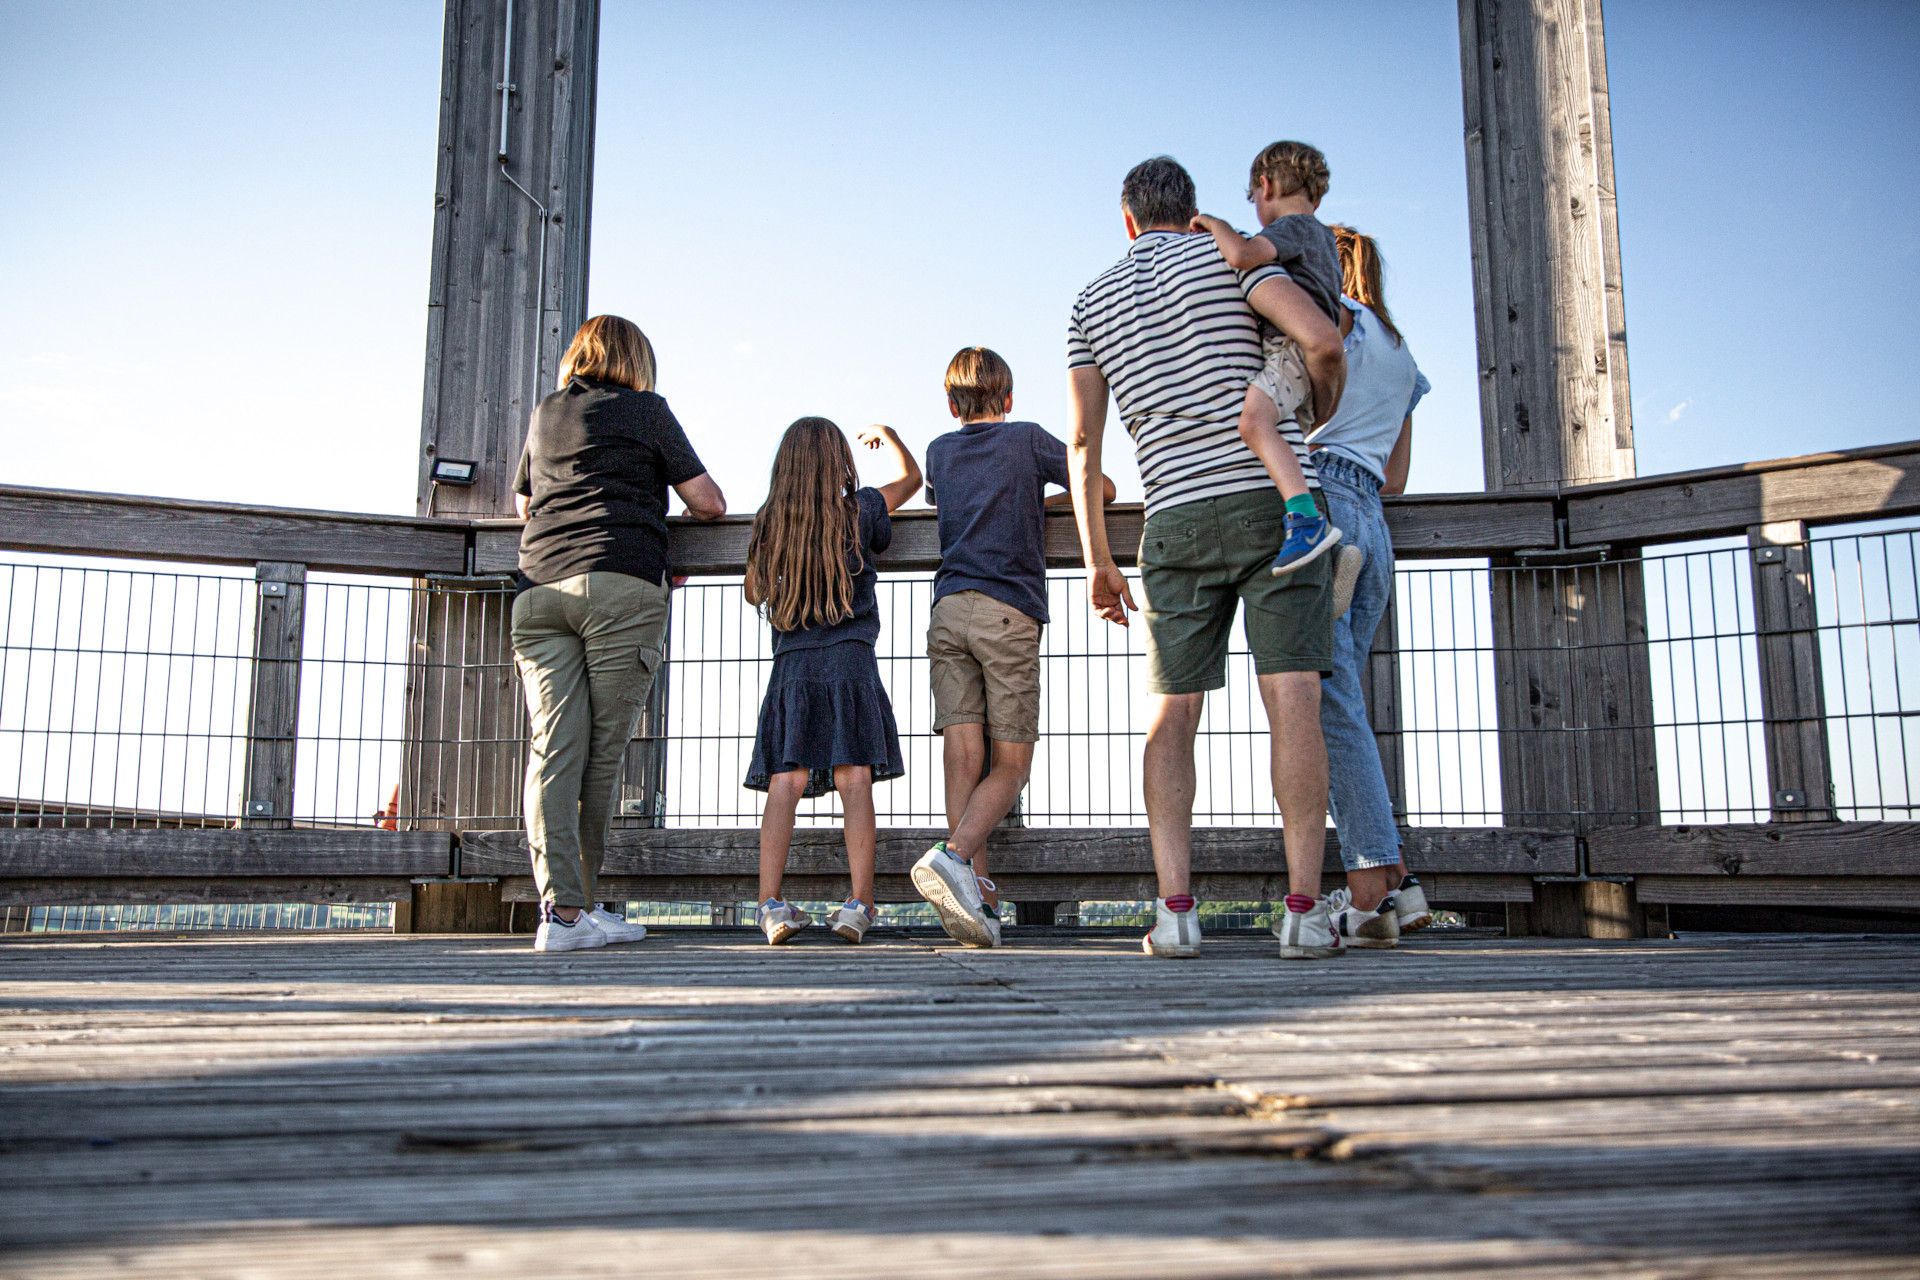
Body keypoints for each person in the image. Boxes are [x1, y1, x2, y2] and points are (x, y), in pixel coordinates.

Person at [1065, 155, 1348, 960]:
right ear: (1192, 209)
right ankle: (1300, 911)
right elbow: (1318, 340)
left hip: (1175, 516)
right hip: (1272, 504)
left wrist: (1097, 558)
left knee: (1172, 712)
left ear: (1126, 219)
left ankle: (1176, 913)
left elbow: (1084, 442)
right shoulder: (1234, 258)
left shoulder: (1090, 300)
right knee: (1292, 697)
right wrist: (1315, 412)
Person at [511, 315, 726, 954]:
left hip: (539, 591)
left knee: (553, 749)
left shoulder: (547, 412)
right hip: (620, 585)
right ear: (636, 361)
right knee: (601, 755)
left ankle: (563, 913)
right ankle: (579, 909)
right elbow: (709, 502)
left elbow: (525, 505)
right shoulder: (647, 410)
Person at [911, 348, 1116, 947]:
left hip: (948, 610)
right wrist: (1038, 502)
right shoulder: (1026, 440)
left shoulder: (939, 451)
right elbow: (1098, 486)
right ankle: (953, 857)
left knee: (961, 753)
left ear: (951, 405)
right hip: (1007, 613)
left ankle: (975, 889)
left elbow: (951, 505)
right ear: (1009, 398)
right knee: (1013, 764)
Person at [744, 417, 921, 946]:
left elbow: (756, 592)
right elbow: (910, 481)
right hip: (850, 662)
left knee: (786, 780)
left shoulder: (770, 520)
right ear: (840, 462)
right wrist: (890, 437)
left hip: (793, 665)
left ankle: (771, 905)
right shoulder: (861, 511)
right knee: (854, 779)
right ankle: (859, 904)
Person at [1312, 225, 1437, 947]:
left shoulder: (1331, 323)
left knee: (1328, 701)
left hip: (1321, 508)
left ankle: (1368, 889)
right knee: (1345, 699)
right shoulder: (1400, 350)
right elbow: (1397, 478)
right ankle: (1400, 882)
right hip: (1372, 525)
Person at [1190, 141, 1347, 579]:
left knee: (1252, 423)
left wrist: (1213, 224)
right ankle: (1327, 563)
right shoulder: (1323, 238)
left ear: (1266, 184)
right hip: (1300, 355)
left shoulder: (1295, 227)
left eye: (1253, 199)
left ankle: (1306, 519)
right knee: (1281, 440)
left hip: (1291, 349)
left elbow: (1243, 255)